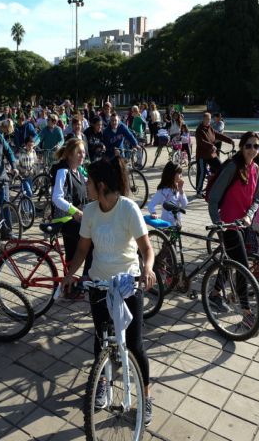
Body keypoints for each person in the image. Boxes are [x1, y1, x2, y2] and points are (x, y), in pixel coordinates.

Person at [61, 156, 156, 426]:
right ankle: (102, 380)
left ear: (100, 185)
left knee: (135, 344)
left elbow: (147, 249)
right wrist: (71, 274)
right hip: (100, 283)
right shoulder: (90, 211)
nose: (86, 186)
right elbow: (82, 249)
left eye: (89, 182)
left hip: (127, 284)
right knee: (101, 337)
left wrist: (147, 269)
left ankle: (146, 395)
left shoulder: (127, 209)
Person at [207, 131, 259, 329]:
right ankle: (246, 312)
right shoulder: (232, 167)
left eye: (256, 146)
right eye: (248, 145)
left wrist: (250, 215)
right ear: (241, 147)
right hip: (228, 225)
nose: (252, 150)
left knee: (230, 262)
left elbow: (256, 198)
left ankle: (214, 295)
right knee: (243, 267)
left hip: (243, 224)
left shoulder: (255, 168)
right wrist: (218, 224)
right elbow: (213, 198)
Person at [51, 139, 92, 299]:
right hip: (65, 219)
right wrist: (74, 211)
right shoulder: (63, 171)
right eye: (78, 152)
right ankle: (82, 283)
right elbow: (57, 197)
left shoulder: (78, 171)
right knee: (92, 245)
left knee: (72, 253)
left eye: (83, 152)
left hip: (77, 218)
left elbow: (89, 190)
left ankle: (69, 288)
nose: (82, 155)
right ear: (69, 154)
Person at [194, 112, 234, 196]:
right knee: (202, 172)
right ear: (203, 119)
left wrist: (230, 140)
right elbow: (201, 142)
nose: (209, 121)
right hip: (202, 155)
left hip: (211, 154)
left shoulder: (210, 128)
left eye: (209, 119)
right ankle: (199, 191)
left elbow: (218, 135)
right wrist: (211, 146)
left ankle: (216, 185)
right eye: (207, 119)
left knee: (221, 167)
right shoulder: (199, 130)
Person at [147, 161, 188, 227]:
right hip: (166, 224)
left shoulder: (178, 188)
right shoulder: (163, 191)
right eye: (179, 173)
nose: (181, 175)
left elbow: (184, 204)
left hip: (177, 222)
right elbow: (151, 204)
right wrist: (153, 213)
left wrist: (181, 190)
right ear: (172, 174)